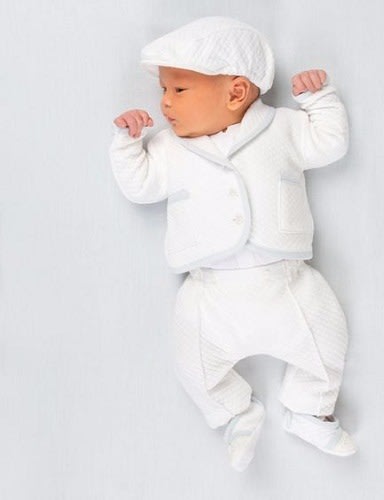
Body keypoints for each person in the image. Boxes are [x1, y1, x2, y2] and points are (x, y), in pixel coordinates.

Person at [109, 16, 357, 471]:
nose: (164, 103)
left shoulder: (282, 128)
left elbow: (329, 144)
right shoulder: (168, 148)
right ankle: (235, 414)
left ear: (236, 92)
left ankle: (310, 410)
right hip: (209, 292)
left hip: (287, 283)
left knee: (328, 339)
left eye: (178, 89)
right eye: (163, 90)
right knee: (191, 362)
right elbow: (140, 186)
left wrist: (319, 99)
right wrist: (127, 145)